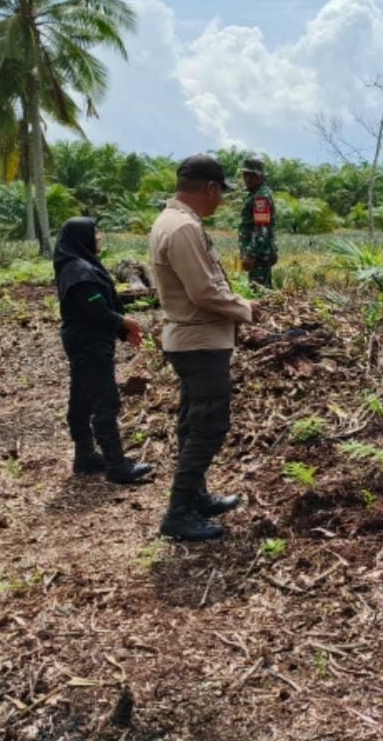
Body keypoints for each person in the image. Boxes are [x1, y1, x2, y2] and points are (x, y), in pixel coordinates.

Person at [149, 154, 258, 541]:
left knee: (193, 421)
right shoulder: (182, 229)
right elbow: (202, 291)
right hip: (199, 341)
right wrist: (245, 308)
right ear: (209, 188)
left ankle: (195, 497)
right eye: (220, 193)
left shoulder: (172, 222)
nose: (221, 202)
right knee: (209, 425)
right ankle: (178, 512)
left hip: (191, 339)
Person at [52, 217, 154, 484]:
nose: (98, 238)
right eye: (94, 234)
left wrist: (121, 330)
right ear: (81, 238)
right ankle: (116, 465)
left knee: (82, 396)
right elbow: (94, 309)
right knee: (105, 400)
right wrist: (123, 323)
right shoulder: (78, 271)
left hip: (88, 339)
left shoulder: (81, 265)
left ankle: (85, 456)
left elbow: (100, 307)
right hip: (88, 342)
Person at [239, 156, 277, 289]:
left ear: (260, 176)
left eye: (252, 175)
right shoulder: (254, 193)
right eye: (245, 174)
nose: (247, 179)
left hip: (259, 255)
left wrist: (250, 254)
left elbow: (262, 229)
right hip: (258, 254)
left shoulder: (261, 196)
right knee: (260, 290)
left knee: (259, 292)